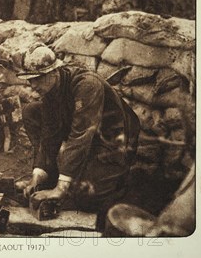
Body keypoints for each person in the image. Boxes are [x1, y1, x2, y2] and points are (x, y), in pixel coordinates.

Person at [15, 44, 140, 217]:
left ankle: (117, 177)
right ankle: (51, 176)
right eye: (30, 80)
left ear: (54, 72)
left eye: (38, 78)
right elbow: (49, 134)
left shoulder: (87, 85)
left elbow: (80, 135)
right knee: (31, 111)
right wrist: (38, 175)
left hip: (112, 142)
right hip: (87, 136)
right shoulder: (51, 89)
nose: (33, 85)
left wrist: (61, 189)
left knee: (86, 197)